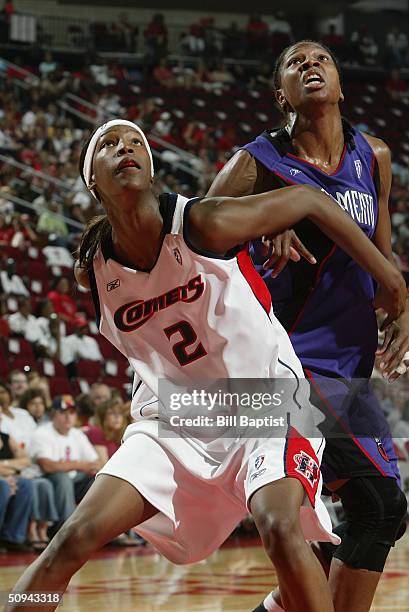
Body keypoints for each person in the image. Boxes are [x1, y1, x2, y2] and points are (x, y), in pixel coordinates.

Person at [6, 119, 405, 612]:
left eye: (135, 142)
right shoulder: (94, 268)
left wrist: (391, 278)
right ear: (93, 181)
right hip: (177, 416)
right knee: (70, 541)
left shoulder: (203, 223)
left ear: (151, 168)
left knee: (281, 529)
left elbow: (312, 201)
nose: (125, 148)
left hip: (269, 402)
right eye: (109, 144)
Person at [206, 40, 409, 612]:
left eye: (320, 59)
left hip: (350, 364)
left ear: (342, 87)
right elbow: (192, 246)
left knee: (348, 535)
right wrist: (257, 223)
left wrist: (402, 313)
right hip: (286, 360)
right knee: (379, 507)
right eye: (295, 63)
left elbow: (383, 259)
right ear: (281, 96)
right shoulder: (256, 164)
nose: (309, 66)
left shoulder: (375, 156)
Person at [29, 395, 100, 531]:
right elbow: (47, 466)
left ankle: (97, 529)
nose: (68, 417)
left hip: (74, 479)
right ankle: (65, 530)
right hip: (47, 479)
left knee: (97, 479)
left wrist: (68, 465)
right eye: (63, 413)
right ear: (53, 415)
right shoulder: (42, 433)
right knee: (62, 477)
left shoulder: (77, 434)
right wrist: (79, 464)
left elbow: (95, 463)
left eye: (72, 413)